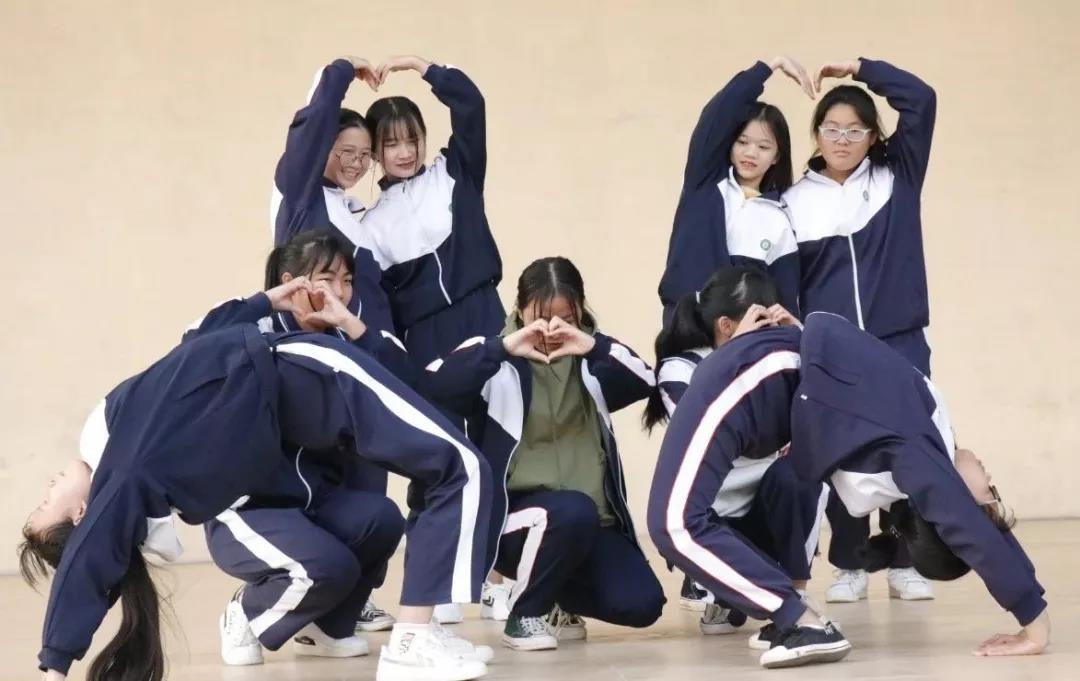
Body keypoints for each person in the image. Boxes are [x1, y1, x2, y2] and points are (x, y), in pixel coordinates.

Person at [18, 323, 493, 681]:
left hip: (299, 388)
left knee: (394, 508)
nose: (50, 484)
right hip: (310, 376)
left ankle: (337, 628)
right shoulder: (127, 464)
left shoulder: (124, 446)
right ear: (80, 514)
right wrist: (55, 664)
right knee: (461, 465)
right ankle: (412, 641)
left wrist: (267, 303)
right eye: (45, 504)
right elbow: (91, 559)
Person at [425, 256, 665, 651]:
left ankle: (552, 596)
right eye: (539, 318)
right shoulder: (493, 356)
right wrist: (502, 349)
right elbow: (435, 384)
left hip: (588, 521)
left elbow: (646, 380)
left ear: (580, 310)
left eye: (566, 318)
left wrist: (592, 346)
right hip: (513, 520)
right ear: (519, 310)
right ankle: (525, 614)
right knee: (571, 510)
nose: (552, 329)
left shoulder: (592, 358)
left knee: (642, 604)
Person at [789, 311, 1051, 657]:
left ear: (953, 503)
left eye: (991, 492)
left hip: (787, 353)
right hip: (796, 341)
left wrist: (1034, 624)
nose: (990, 478)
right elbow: (987, 527)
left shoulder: (915, 458)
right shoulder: (928, 447)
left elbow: (974, 531)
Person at [783, 58, 938, 602]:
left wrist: (860, 68)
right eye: (832, 129)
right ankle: (849, 564)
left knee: (911, 448)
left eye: (855, 130)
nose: (842, 139)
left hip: (899, 340)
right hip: (834, 349)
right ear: (817, 135)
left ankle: (906, 561)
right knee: (841, 454)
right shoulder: (792, 202)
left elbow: (921, 98)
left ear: (873, 136)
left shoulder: (898, 177)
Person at [646, 268, 846, 669]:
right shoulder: (681, 369)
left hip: (763, 508)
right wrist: (737, 355)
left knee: (801, 476)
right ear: (726, 325)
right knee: (681, 527)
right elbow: (716, 430)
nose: (769, 336)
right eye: (761, 323)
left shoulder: (781, 355)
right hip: (713, 518)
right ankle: (726, 592)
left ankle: (795, 606)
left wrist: (801, 338)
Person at [360, 56, 505, 372]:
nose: (406, 152)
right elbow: (378, 306)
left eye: (413, 139)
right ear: (374, 151)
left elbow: (471, 105)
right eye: (392, 144)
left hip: (483, 314)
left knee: (504, 401)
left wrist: (419, 66)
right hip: (424, 340)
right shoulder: (370, 227)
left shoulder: (454, 173)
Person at [658, 56, 814, 328]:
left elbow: (785, 301)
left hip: (741, 339)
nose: (751, 153)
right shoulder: (705, 182)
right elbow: (717, 114)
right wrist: (770, 66)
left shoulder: (780, 219)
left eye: (763, 147)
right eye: (742, 142)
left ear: (777, 156)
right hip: (686, 329)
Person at [271, 55, 395, 339]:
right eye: (347, 152)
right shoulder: (301, 193)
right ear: (323, 147)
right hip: (329, 347)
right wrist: (343, 69)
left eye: (365, 155)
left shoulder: (351, 215)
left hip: (372, 350)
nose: (357, 163)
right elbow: (313, 124)